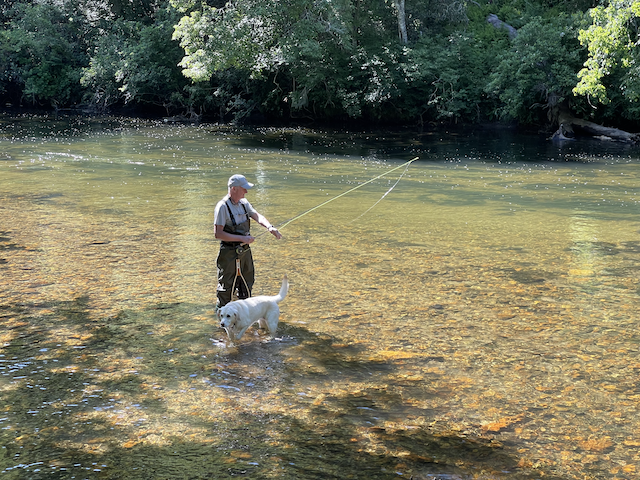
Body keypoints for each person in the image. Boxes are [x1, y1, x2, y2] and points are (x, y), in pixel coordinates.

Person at [213, 174, 282, 308]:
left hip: (244, 252)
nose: (246, 191)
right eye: (243, 188)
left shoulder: (244, 203)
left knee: (246, 283)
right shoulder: (222, 207)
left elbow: (257, 216)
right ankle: (221, 322)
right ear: (233, 189)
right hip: (228, 253)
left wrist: (270, 227)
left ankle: (244, 318)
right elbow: (218, 234)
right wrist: (242, 238)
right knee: (226, 287)